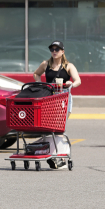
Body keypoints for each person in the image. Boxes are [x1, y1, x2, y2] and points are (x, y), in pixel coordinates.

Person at [32, 40, 81, 169]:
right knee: (51, 128)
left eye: (57, 49)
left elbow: (78, 81)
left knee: (59, 127)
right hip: (49, 98)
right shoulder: (46, 64)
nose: (54, 52)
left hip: (64, 97)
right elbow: (36, 74)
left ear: (63, 51)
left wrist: (71, 84)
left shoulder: (68, 66)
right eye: (52, 49)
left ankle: (59, 157)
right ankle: (54, 155)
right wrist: (40, 84)